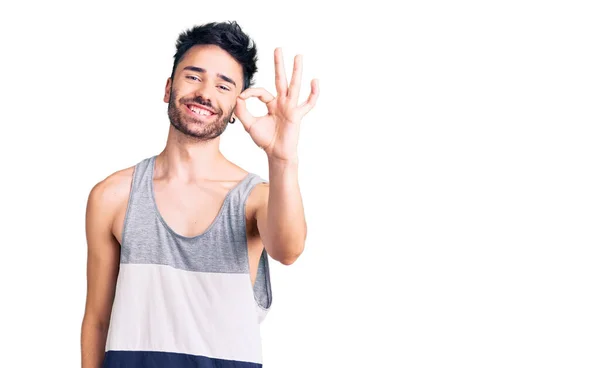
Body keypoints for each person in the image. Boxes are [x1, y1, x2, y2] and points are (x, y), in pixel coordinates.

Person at [80, 21, 319, 368]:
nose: (205, 93)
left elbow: (289, 250)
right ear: (168, 87)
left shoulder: (254, 199)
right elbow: (97, 320)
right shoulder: (112, 196)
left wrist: (282, 159)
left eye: (224, 85)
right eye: (194, 76)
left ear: (237, 106)